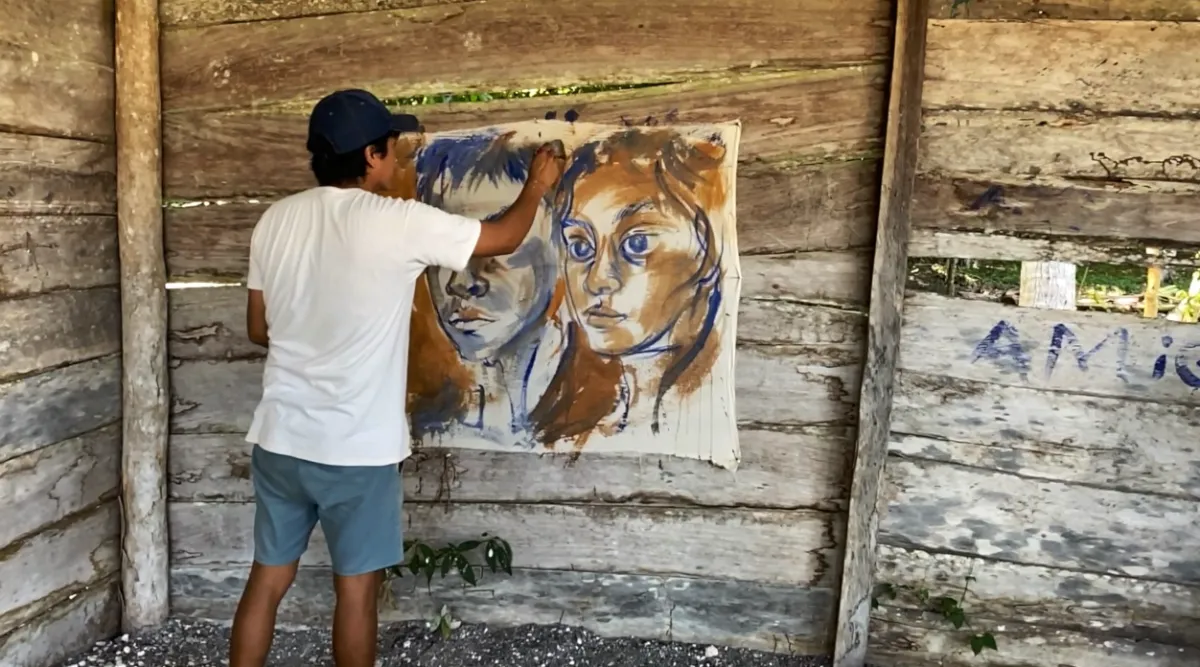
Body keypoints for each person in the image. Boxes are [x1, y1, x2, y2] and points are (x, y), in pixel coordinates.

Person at [230, 88, 565, 667]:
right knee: (356, 594)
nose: (397, 158)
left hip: (281, 439)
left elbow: (260, 328)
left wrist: (314, 339)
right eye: (391, 147)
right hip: (354, 451)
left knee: (267, 581)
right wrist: (537, 185)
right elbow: (502, 239)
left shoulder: (275, 221)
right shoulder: (397, 222)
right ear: (369, 157)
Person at [409, 130, 566, 444]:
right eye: (446, 250)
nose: (460, 284)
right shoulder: (431, 416)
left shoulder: (601, 405)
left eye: (494, 248)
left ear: (557, 246)